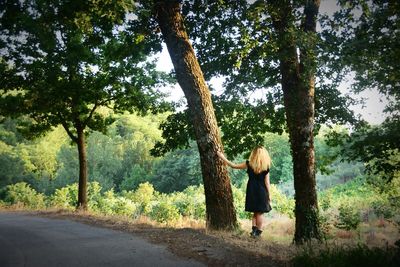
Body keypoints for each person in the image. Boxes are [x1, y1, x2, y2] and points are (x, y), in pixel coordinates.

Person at [217, 146, 272, 237]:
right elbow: (267, 183)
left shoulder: (248, 164)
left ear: (254, 154)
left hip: (251, 190)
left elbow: (233, 165)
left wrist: (221, 156)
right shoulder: (266, 167)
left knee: (255, 212)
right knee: (259, 213)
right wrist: (269, 195)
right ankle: (257, 232)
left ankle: (254, 230)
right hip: (262, 191)